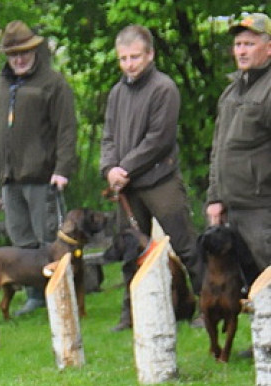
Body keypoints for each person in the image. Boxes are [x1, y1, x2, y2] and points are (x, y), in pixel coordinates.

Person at [100, 25, 202, 331]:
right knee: (131, 250)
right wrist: (109, 169)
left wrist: (125, 168)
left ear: (150, 55)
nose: (129, 64)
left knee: (186, 246)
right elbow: (108, 137)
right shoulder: (117, 93)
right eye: (123, 58)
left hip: (161, 182)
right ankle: (131, 312)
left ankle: (205, 304)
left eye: (135, 57)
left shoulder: (164, 88)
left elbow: (158, 139)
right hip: (127, 187)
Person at [0, 20, 77, 315]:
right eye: (13, 54)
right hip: (9, 179)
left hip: (43, 178)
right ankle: (35, 295)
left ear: (34, 51)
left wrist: (63, 168)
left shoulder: (52, 83)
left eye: (24, 52)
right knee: (21, 241)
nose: (19, 59)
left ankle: (59, 293)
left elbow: (67, 130)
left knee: (49, 239)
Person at [206, 13, 271, 278]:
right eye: (238, 44)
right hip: (231, 210)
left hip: (261, 211)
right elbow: (218, 150)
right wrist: (214, 199)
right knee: (248, 292)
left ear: (269, 47)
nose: (241, 51)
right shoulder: (231, 92)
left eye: (249, 44)